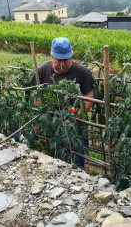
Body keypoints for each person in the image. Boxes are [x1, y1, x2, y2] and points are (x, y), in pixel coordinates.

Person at [30, 37, 94, 166]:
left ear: (71, 56)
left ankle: (78, 175)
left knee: (78, 149)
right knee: (54, 150)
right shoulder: (42, 71)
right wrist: (47, 117)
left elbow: (88, 98)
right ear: (52, 56)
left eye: (66, 60)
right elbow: (36, 96)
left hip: (76, 123)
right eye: (58, 60)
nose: (62, 64)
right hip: (52, 121)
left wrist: (75, 117)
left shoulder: (82, 72)